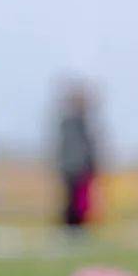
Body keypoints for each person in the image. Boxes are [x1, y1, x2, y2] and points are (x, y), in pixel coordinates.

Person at [54, 82, 100, 230]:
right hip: (73, 168)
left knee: (81, 200)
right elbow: (74, 147)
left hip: (80, 168)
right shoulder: (71, 122)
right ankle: (71, 228)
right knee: (72, 200)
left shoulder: (81, 121)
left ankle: (78, 227)